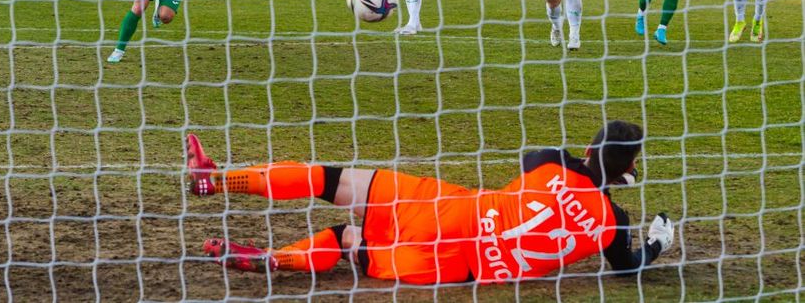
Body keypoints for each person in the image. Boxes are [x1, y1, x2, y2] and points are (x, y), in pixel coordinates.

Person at [186, 121, 675, 283]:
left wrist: (590, 169)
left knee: (330, 182)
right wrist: (655, 243)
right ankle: (273, 258)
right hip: (449, 265)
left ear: (590, 150)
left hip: (444, 207)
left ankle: (217, 181)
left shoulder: (553, 161)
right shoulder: (613, 222)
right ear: (630, 170)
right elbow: (626, 267)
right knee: (346, 241)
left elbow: (535, 159)